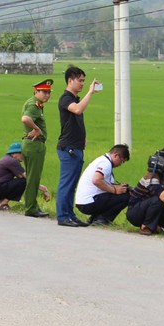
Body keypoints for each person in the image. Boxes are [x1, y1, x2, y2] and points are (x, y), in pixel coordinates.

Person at [56, 66, 101, 227]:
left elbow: (75, 121)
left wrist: (83, 138)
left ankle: (70, 214)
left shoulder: (74, 98)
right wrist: (90, 93)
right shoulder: (66, 98)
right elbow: (77, 110)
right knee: (66, 184)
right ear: (70, 80)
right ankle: (62, 216)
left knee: (72, 184)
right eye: (80, 80)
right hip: (68, 148)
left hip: (76, 147)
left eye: (84, 81)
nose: (82, 83)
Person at [21, 79, 54, 218]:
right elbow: (25, 119)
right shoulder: (34, 105)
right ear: (36, 91)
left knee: (31, 177)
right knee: (33, 178)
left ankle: (31, 206)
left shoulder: (36, 104)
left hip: (30, 144)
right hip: (35, 145)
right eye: (44, 92)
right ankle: (31, 208)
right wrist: (37, 129)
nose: (47, 95)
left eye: (49, 92)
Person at [75, 144, 131, 226]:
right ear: (116, 156)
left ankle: (94, 218)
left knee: (118, 194)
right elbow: (96, 180)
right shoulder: (106, 163)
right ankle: (103, 219)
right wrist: (114, 190)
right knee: (127, 197)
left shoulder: (102, 160)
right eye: (122, 161)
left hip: (83, 201)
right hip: (89, 202)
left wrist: (116, 187)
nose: (121, 164)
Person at [0, 142, 32, 210]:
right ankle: (3, 204)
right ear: (14, 153)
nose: (23, 156)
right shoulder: (13, 161)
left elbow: (19, 176)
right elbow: (27, 178)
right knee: (23, 181)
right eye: (22, 153)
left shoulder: (6, 159)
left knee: (15, 181)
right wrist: (42, 189)